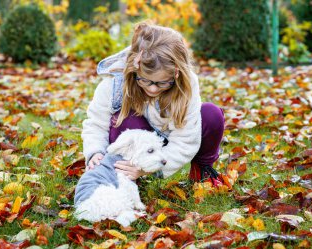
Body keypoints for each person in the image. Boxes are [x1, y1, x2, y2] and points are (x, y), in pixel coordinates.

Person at [82, 21, 225, 184]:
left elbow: (185, 139)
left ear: (176, 73)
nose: (152, 89)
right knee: (121, 118)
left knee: (211, 114)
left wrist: (151, 169)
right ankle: (124, 173)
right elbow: (96, 124)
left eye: (162, 83)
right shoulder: (115, 82)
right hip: (138, 140)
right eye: (145, 80)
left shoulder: (186, 84)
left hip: (167, 137)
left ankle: (202, 171)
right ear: (134, 68)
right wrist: (95, 152)